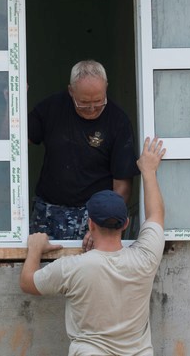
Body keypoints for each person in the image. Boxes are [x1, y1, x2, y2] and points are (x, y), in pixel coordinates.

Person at [19, 137, 166, 356]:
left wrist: (35, 248)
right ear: (126, 224)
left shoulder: (73, 268)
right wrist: (148, 170)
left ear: (90, 223)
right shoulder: (145, 258)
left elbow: (28, 283)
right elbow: (156, 215)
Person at [28, 60, 139, 244]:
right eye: (84, 103)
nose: (92, 108)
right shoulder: (51, 108)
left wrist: (103, 224)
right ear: (71, 91)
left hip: (93, 216)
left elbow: (123, 186)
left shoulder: (118, 121)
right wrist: (12, 103)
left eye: (98, 101)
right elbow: (13, 143)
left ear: (106, 89)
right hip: (46, 211)